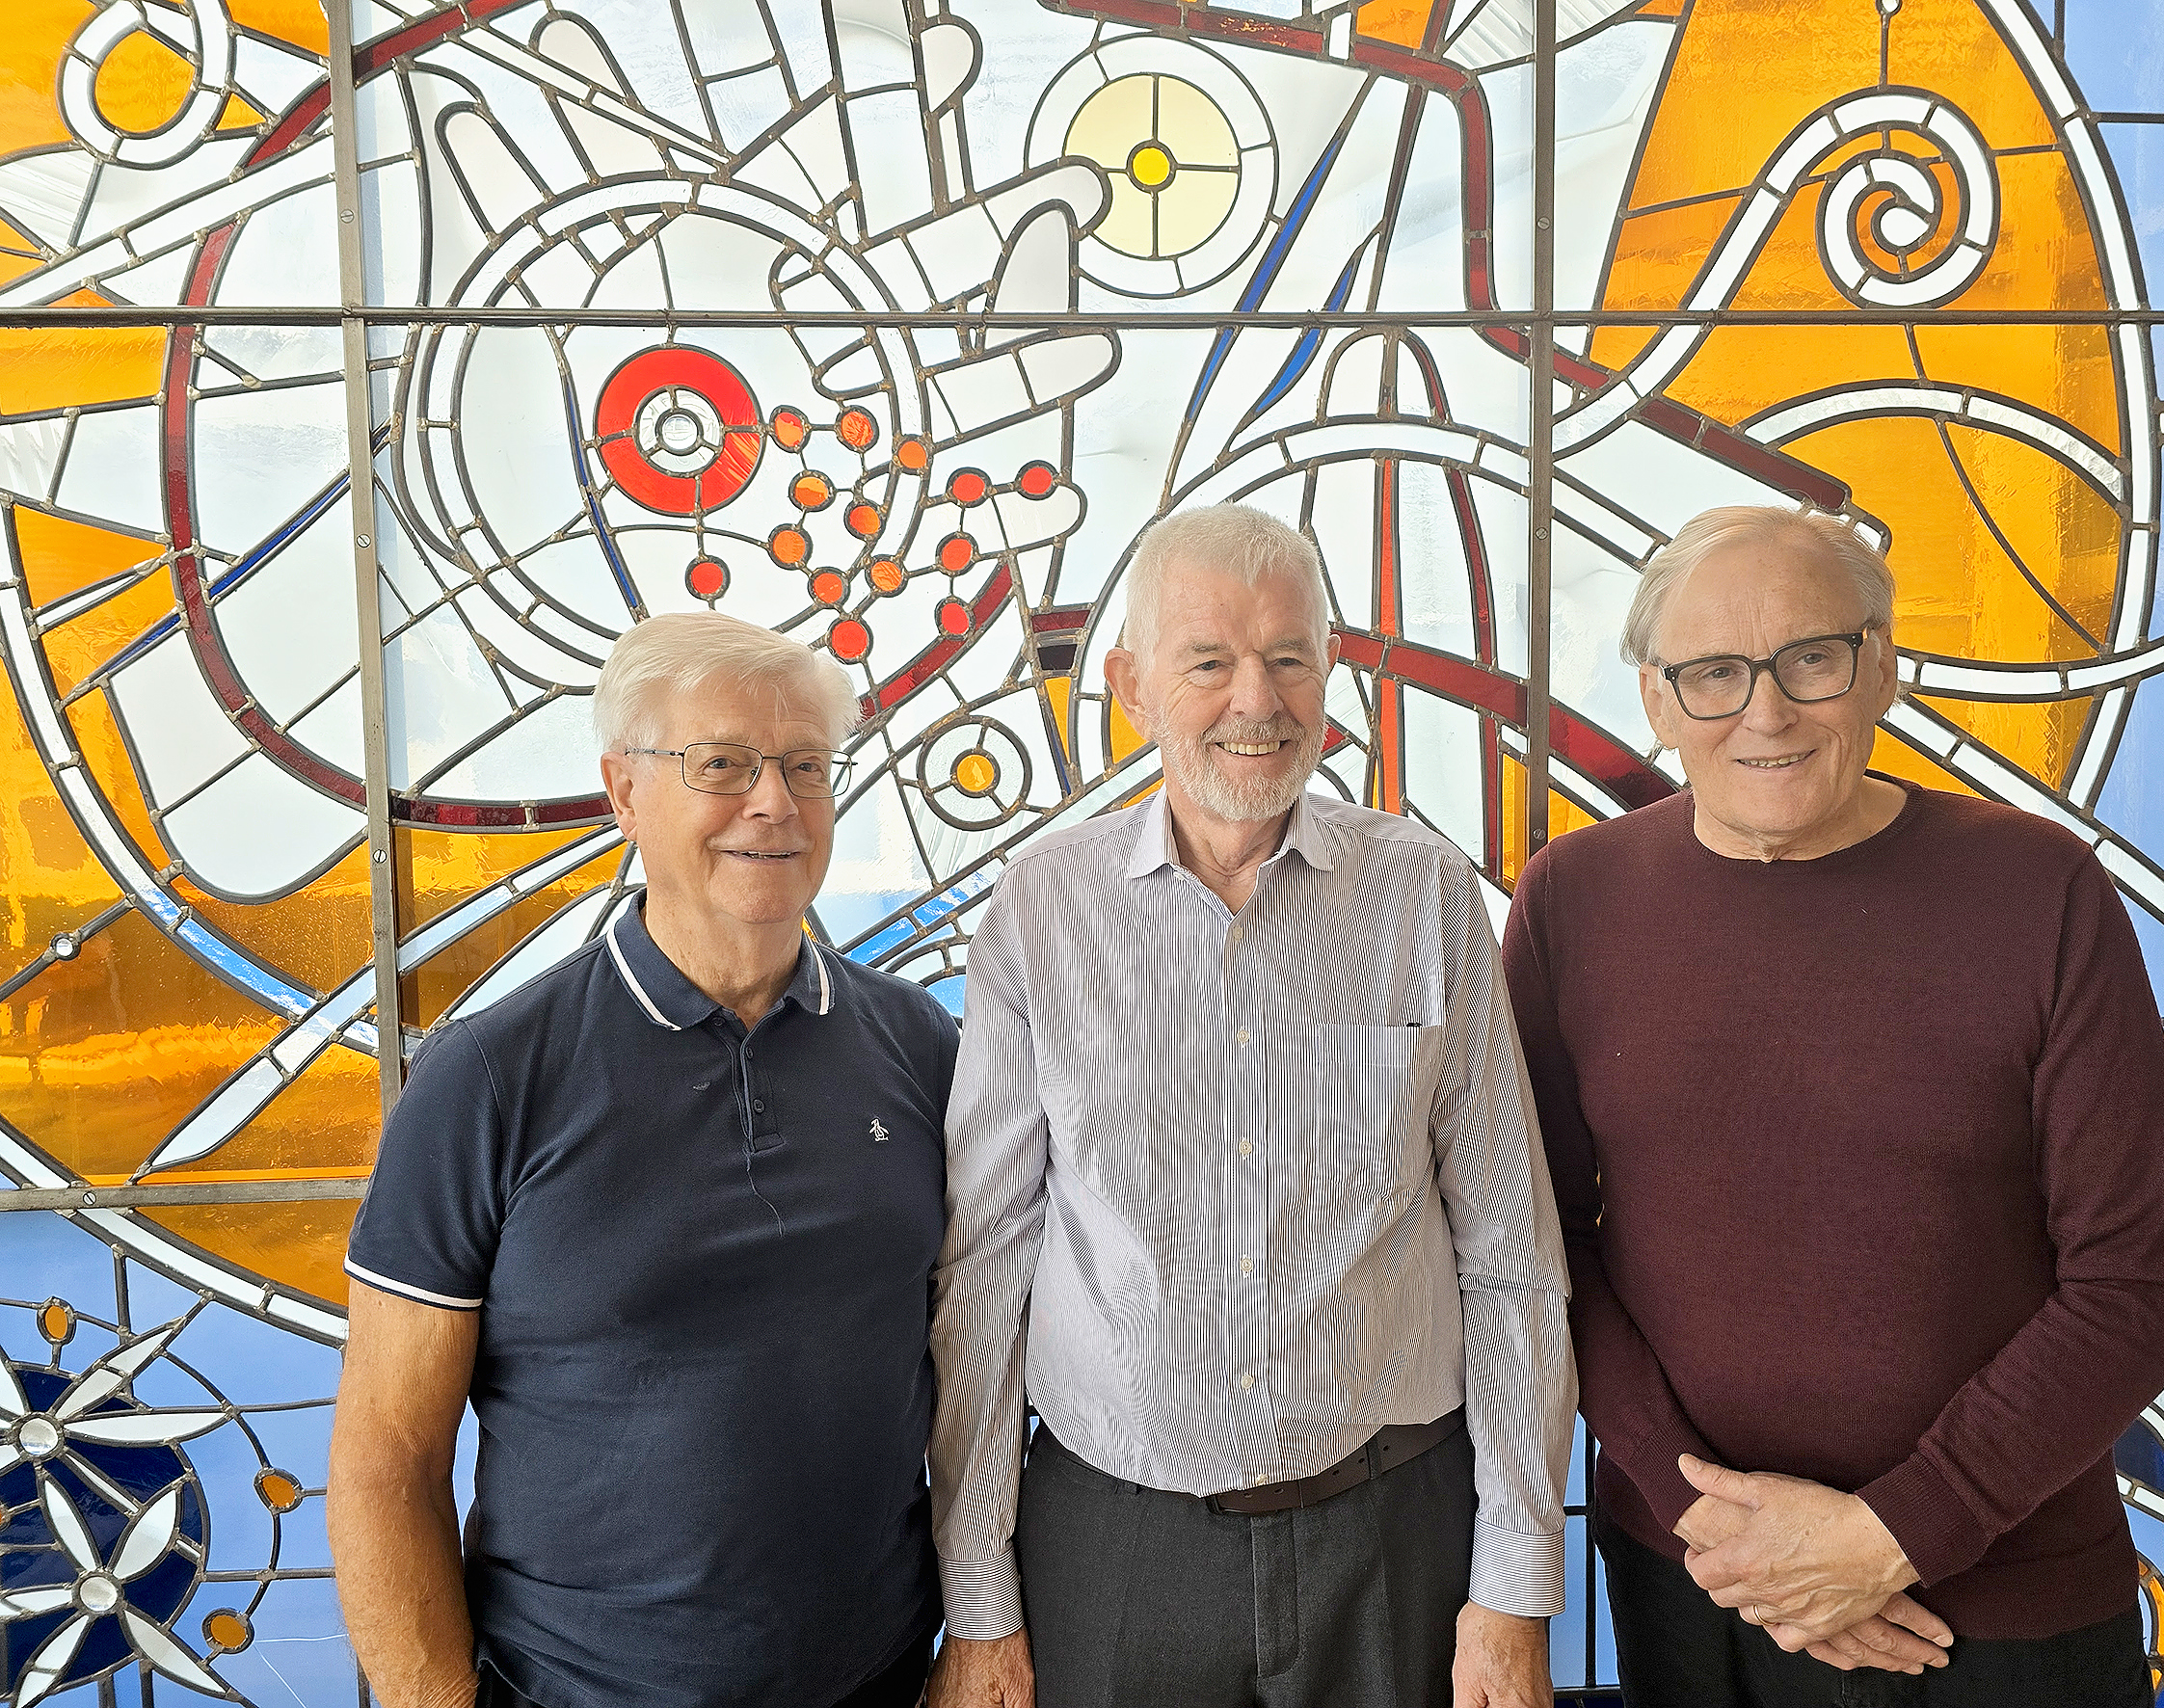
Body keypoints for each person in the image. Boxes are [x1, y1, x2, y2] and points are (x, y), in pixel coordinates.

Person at [1501, 506, 2164, 1705]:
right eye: (1713, 673)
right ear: (1658, 699)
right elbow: (1539, 1247)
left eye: (1810, 659)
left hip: (2006, 1601)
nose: (1765, 712)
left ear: (1879, 666)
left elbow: (2137, 1281)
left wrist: (1893, 1534)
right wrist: (1736, 1541)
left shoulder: (2042, 890)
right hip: (1699, 1592)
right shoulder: (1573, 898)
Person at [925, 502, 1577, 1708]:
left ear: (1330, 674)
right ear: (1130, 686)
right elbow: (985, 1268)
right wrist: (977, 1599)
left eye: (1288, 657)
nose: (1256, 700)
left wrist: (1515, 1582)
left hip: (1393, 1532)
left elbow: (1509, 1253)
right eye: (1208, 661)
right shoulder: (1040, 907)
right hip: (1113, 1544)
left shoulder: (1424, 893)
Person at [330, 612, 958, 1708]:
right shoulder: (489, 1075)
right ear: (624, 790)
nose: (774, 802)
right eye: (722, 764)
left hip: (886, 1678)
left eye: (806, 765)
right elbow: (387, 1457)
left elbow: (984, 1369)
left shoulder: (920, 1045)